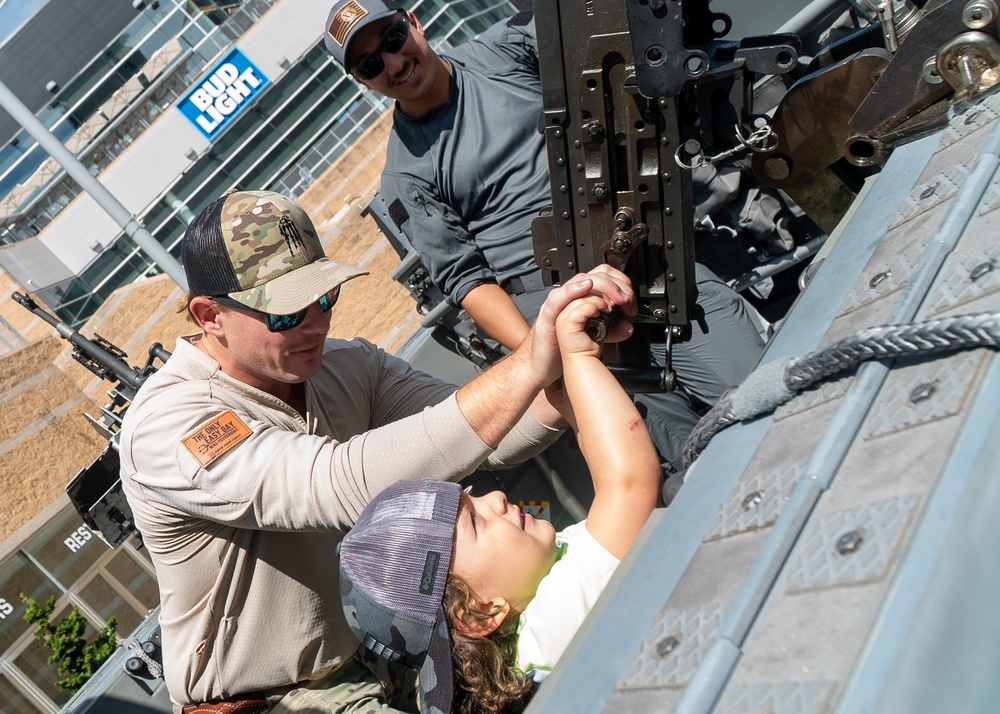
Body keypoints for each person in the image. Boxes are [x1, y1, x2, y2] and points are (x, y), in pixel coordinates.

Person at [117, 189, 636, 713]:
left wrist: (582, 354)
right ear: (210, 316)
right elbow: (339, 487)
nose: (317, 324)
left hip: (390, 654)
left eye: (324, 298)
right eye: (286, 313)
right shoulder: (169, 427)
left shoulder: (348, 367)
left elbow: (492, 430)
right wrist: (531, 362)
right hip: (276, 698)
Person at [323, 0, 769, 477]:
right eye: (371, 64)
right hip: (561, 313)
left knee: (762, 386)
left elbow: (601, 40)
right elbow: (466, 281)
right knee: (693, 468)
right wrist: (549, 353)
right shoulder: (405, 176)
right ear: (362, 81)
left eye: (392, 39)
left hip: (644, 261)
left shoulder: (505, 51)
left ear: (413, 22)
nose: (393, 63)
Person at [337, 288, 661, 714]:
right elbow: (629, 485)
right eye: (476, 522)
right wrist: (579, 358)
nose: (496, 499)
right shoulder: (550, 632)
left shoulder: (526, 629)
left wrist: (569, 379)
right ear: (481, 613)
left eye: (473, 500)